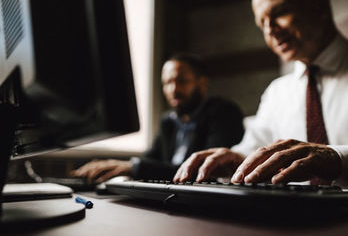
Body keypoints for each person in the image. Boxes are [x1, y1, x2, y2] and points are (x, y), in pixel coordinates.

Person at [173, 0, 348, 197]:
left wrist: (340, 160)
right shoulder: (277, 92)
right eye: (262, 24)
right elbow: (253, 147)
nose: (270, 30)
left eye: (279, 12)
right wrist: (236, 160)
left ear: (319, 5)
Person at [72, 53, 244, 182]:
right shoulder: (168, 121)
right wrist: (112, 165)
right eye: (167, 82)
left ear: (202, 83)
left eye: (181, 81)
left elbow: (207, 170)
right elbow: (151, 159)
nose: (173, 89)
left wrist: (134, 167)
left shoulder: (224, 113)